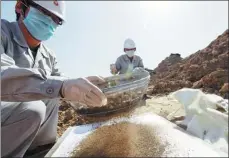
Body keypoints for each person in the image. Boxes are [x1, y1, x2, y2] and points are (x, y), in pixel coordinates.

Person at [1, 0, 107, 157]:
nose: (49, 21)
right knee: (34, 108)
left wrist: (82, 86)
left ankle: (39, 151)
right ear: (20, 7)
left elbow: (60, 83)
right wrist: (60, 86)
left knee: (50, 96)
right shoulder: (3, 31)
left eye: (56, 19)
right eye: (44, 12)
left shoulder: (48, 55)